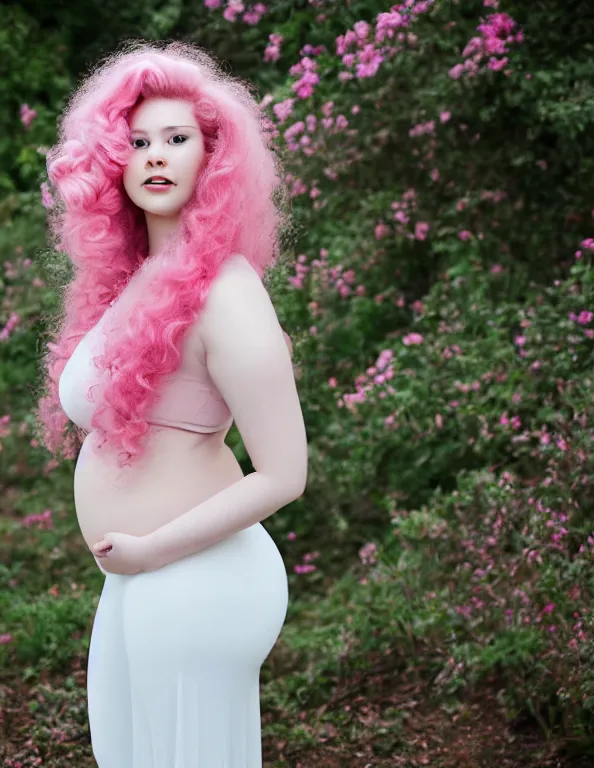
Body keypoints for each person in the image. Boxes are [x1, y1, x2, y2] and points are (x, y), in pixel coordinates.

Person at [33, 39, 307, 767]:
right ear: (109, 161)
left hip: (198, 580)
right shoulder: (130, 283)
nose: (155, 155)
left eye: (176, 139)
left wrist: (152, 551)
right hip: (140, 582)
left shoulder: (229, 290)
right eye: (136, 140)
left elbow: (284, 475)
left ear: (211, 157)